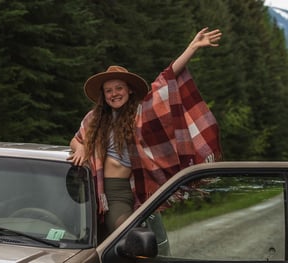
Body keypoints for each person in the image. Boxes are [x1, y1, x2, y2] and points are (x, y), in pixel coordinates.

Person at [68, 27, 222, 236]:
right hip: (101, 192)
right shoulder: (93, 119)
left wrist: (192, 47)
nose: (114, 94)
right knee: (114, 239)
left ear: (129, 90)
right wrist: (81, 148)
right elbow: (75, 141)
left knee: (134, 239)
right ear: (103, 95)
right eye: (109, 90)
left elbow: (165, 80)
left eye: (119, 88)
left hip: (128, 191)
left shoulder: (140, 114)